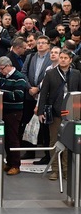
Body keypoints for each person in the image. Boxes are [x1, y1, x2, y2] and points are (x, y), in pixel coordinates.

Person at [37, 49, 81, 181]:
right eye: (61, 57)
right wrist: (40, 111)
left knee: (69, 141)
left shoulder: (76, 74)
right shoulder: (50, 73)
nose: (62, 59)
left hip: (72, 112)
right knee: (54, 140)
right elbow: (43, 93)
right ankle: (55, 169)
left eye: (65, 58)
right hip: (55, 112)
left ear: (70, 60)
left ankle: (67, 170)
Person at [0, 56, 29, 176]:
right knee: (5, 139)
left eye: (2, 69)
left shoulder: (19, 77)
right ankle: (9, 162)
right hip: (3, 111)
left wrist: (2, 93)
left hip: (14, 112)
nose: (1, 71)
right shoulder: (2, 76)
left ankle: (16, 164)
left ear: (9, 65)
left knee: (13, 138)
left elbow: (18, 95)